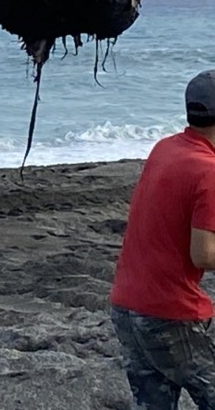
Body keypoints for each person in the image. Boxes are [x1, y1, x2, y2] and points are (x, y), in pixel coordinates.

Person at [111, 69, 215, 409]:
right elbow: (204, 255)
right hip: (171, 314)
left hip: (126, 306)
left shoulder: (165, 148)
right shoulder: (209, 170)